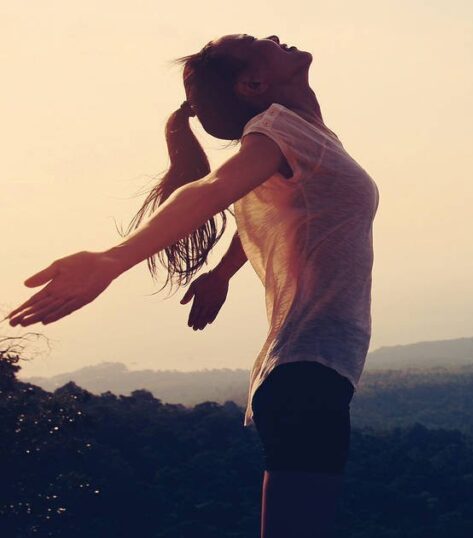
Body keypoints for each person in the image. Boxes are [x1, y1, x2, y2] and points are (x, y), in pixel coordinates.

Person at [4, 33, 380, 537]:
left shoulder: (303, 136)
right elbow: (212, 188)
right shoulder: (276, 130)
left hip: (313, 373)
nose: (272, 36)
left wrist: (222, 275)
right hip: (304, 377)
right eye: (256, 41)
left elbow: (286, 214)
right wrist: (113, 260)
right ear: (253, 82)